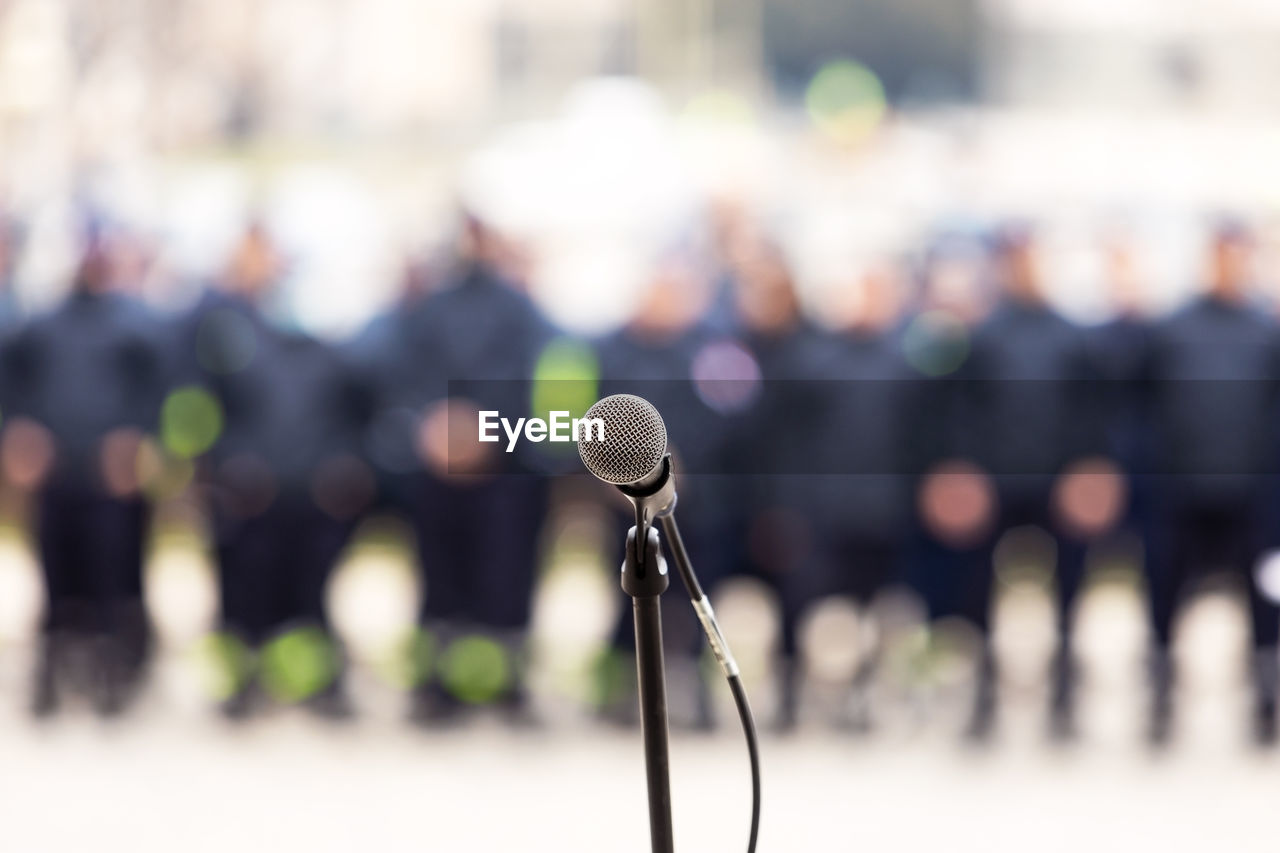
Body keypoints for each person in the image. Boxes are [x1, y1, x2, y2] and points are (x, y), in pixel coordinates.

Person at [179, 223, 375, 719]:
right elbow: (211, 411)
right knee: (244, 596)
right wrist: (224, 466)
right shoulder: (229, 337)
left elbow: (358, 420)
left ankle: (318, 684)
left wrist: (345, 468)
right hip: (250, 498)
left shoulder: (338, 352)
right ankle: (241, 684)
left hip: (314, 497)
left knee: (311, 596)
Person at [378, 213, 557, 726]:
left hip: (508, 469)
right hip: (439, 470)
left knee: (505, 581)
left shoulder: (522, 313)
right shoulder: (429, 311)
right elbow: (401, 382)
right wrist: (432, 429)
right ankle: (439, 686)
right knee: (442, 581)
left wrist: (488, 432)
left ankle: (505, 685)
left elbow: (547, 388)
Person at [955, 225, 1120, 740]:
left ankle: (1064, 694)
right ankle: (983, 694)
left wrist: (1091, 468)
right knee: (980, 587)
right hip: (996, 481)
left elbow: (1093, 412)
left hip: (1058, 482)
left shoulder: (1072, 336)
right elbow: (963, 411)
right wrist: (964, 471)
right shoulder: (984, 336)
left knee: (1069, 587)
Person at [3, 225, 168, 717]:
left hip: (111, 475)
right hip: (56, 470)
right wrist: (20, 433)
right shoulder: (40, 325)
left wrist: (137, 439)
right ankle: (51, 673)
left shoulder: (138, 327)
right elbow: (14, 383)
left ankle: (112, 672)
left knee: (111, 575)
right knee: (55, 574)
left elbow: (159, 392)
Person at [1139, 219, 1280, 745]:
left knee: (1264, 600)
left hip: (1251, 494)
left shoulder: (1266, 331)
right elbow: (1144, 408)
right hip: (1181, 490)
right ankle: (1160, 696)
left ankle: (1265, 701)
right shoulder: (1173, 330)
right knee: (1166, 592)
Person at [591, 247, 732, 730]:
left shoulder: (715, 350)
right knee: (626, 593)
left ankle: (694, 689)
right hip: (624, 500)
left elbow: (732, 417)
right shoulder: (609, 349)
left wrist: (683, 465)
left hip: (697, 501)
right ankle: (617, 688)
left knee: (693, 595)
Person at [724, 238, 834, 732]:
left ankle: (791, 692)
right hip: (734, 496)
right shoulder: (728, 347)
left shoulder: (812, 354)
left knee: (795, 600)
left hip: (795, 498)